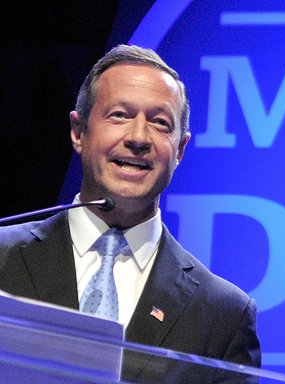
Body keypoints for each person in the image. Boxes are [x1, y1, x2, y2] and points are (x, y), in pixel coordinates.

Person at [0, 45, 261, 382]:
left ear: (180, 149)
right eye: (120, 115)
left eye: (160, 123)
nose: (139, 138)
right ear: (79, 132)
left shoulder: (223, 314)